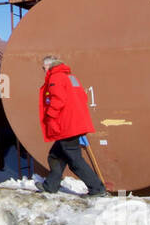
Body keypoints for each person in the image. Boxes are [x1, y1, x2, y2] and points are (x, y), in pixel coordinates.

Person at [38, 55, 105, 196]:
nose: (43, 71)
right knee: (55, 156)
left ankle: (97, 188)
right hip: (75, 123)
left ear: (49, 65)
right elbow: (83, 97)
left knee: (75, 160)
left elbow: (58, 99)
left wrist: (50, 114)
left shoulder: (55, 77)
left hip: (67, 125)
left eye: (43, 68)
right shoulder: (71, 77)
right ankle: (50, 186)